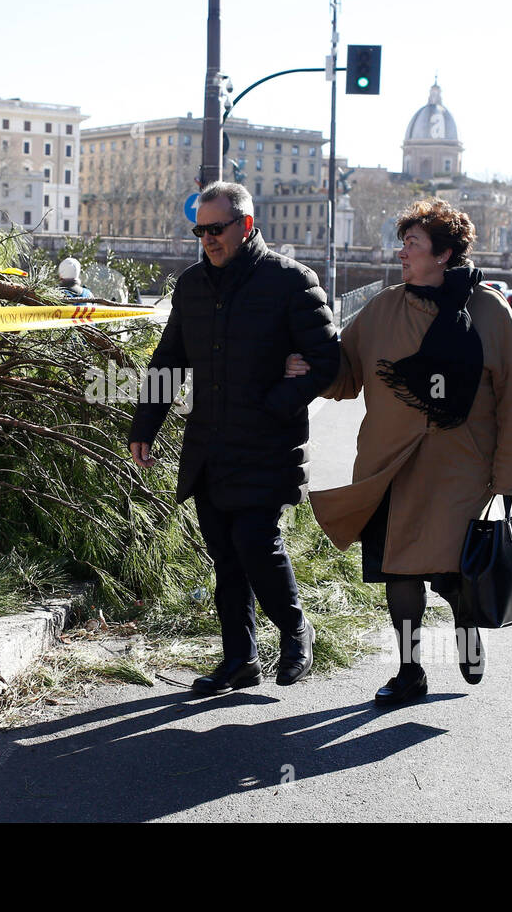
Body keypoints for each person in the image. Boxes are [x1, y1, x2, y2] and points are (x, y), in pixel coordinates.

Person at [286, 197, 512, 706]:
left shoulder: (488, 311)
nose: (402, 251)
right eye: (404, 242)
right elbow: (347, 373)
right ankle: (409, 670)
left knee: (448, 569)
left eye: (413, 243)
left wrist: (510, 473)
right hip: (388, 464)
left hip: (460, 469)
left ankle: (466, 622)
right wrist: (306, 369)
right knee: (398, 570)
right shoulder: (382, 308)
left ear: (443, 254)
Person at [129, 181, 339, 694]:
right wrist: (144, 425)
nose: (207, 239)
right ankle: (240, 660)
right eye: (199, 230)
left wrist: (276, 401)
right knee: (225, 555)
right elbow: (169, 360)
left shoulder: (292, 282)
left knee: (255, 542)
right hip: (210, 445)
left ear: (245, 225)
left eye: (216, 229)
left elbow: (329, 363)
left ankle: (295, 631)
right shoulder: (193, 285)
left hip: (268, 443)